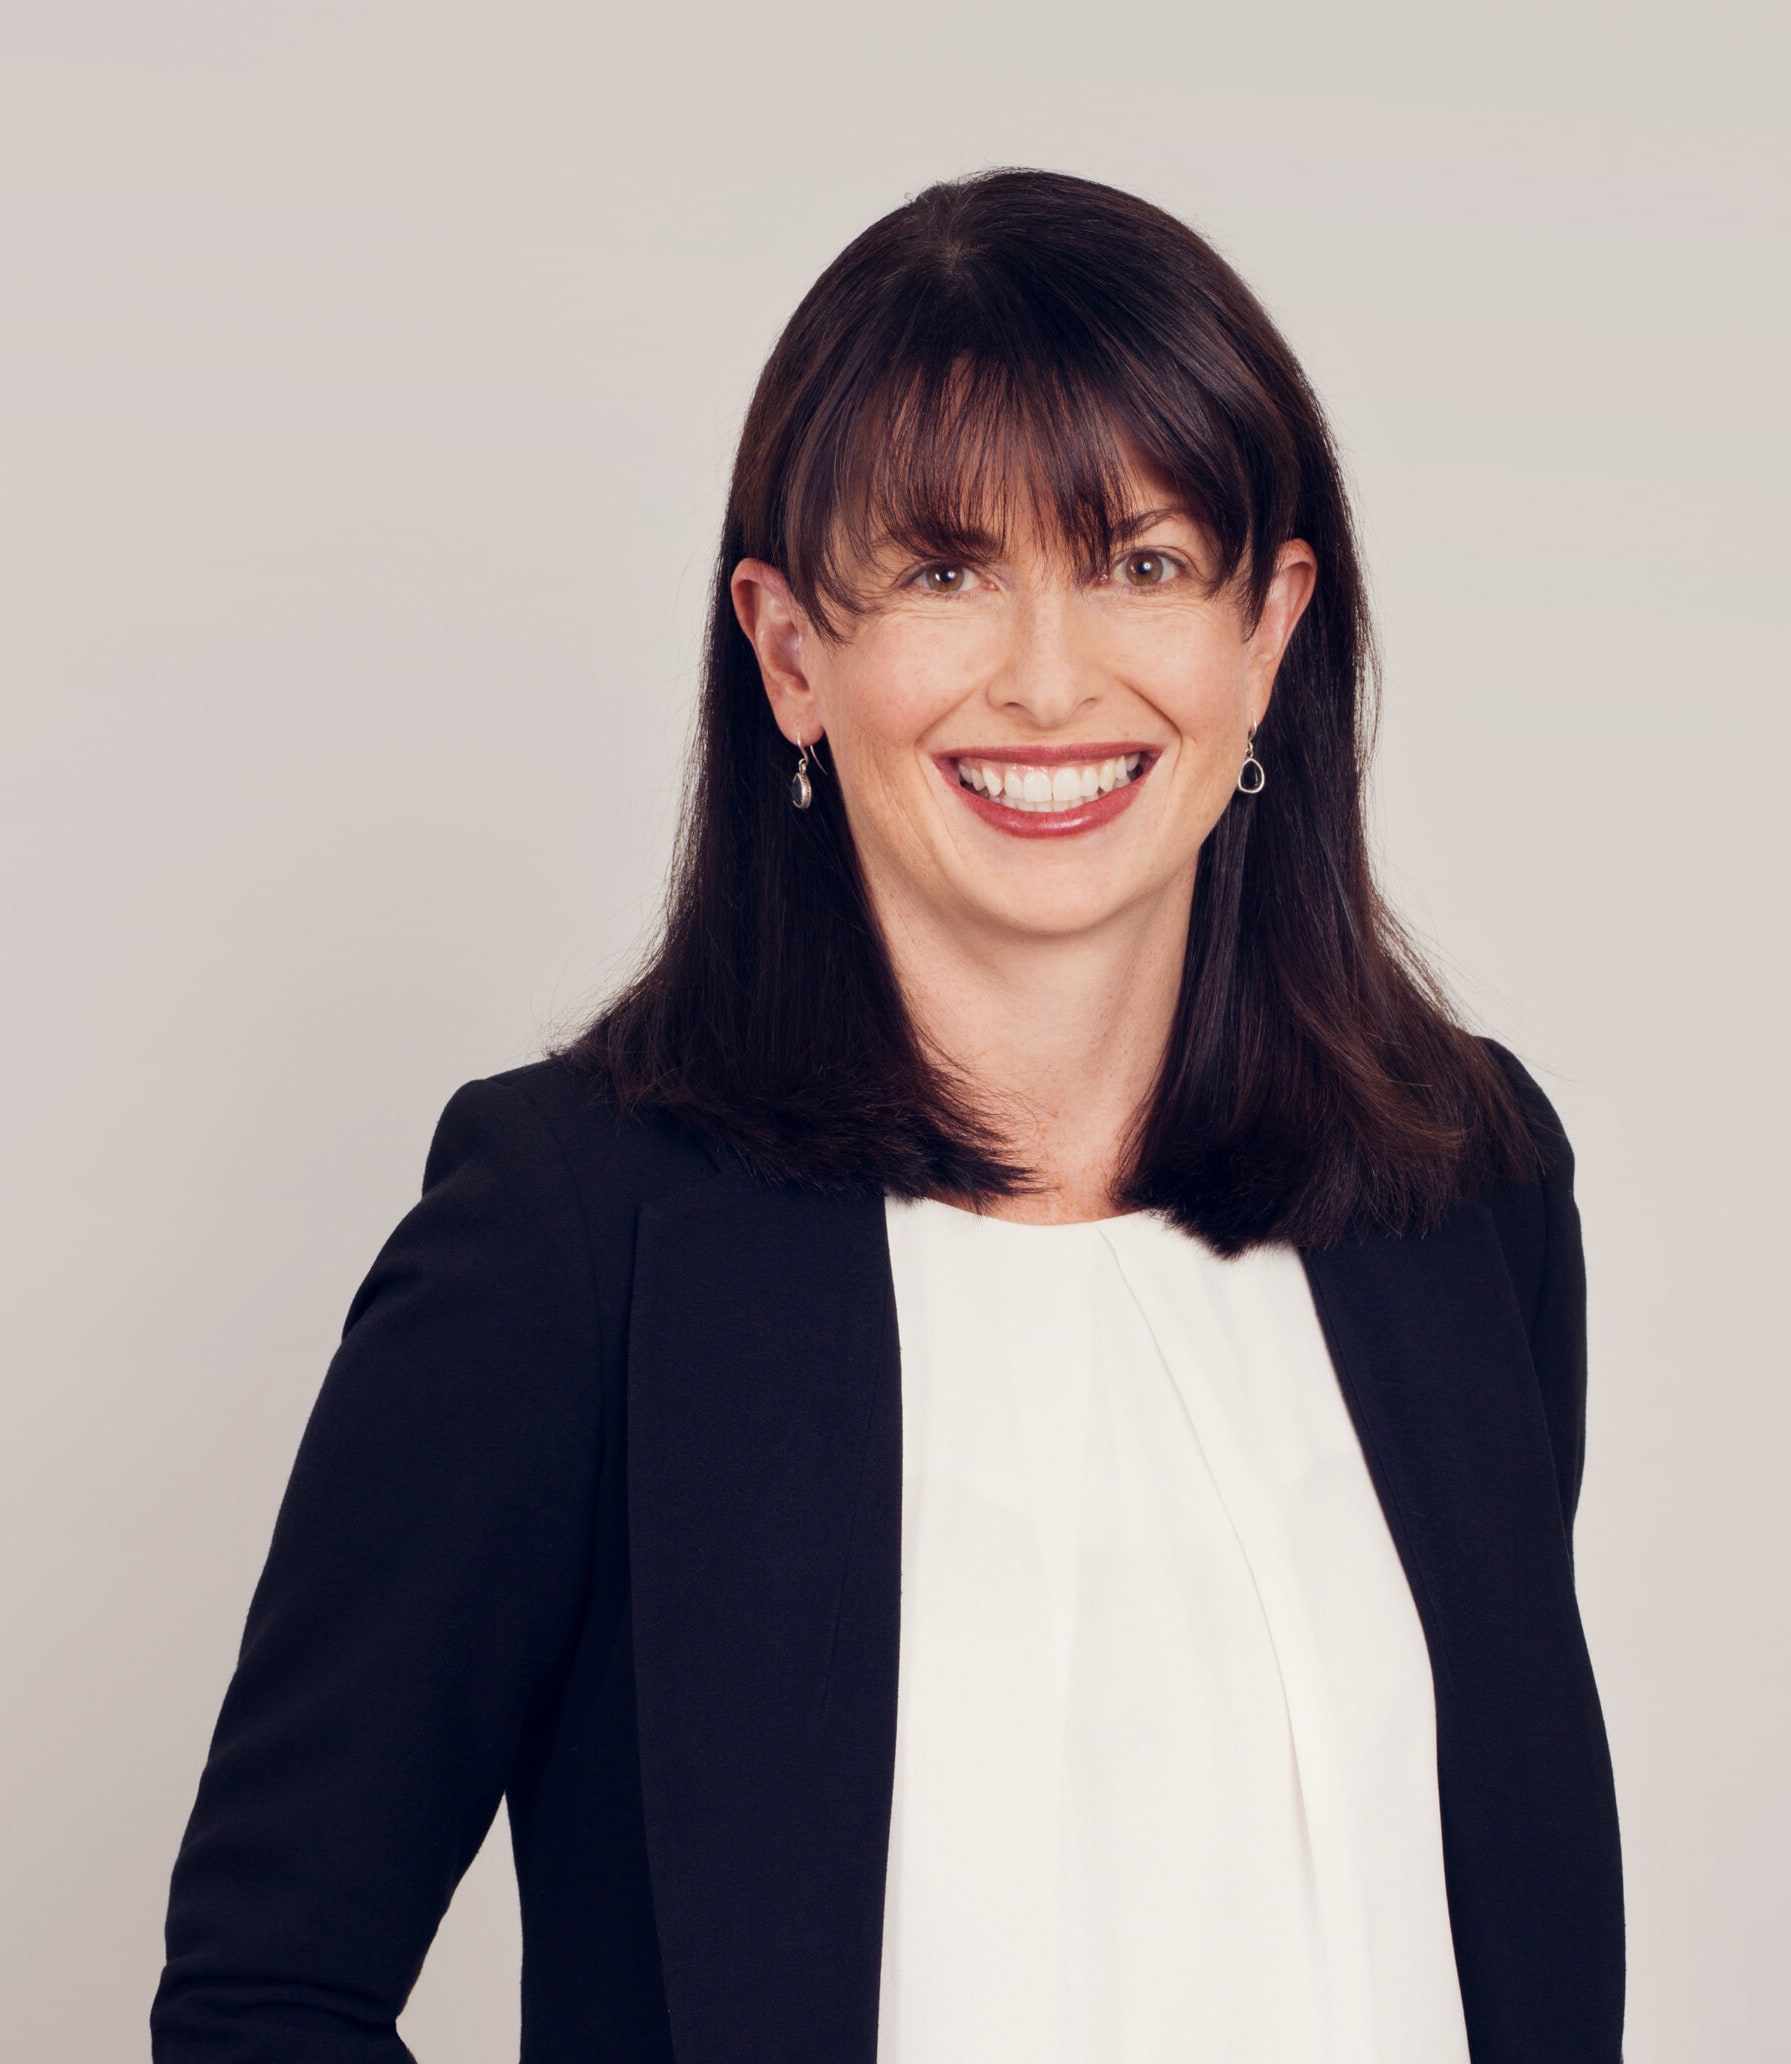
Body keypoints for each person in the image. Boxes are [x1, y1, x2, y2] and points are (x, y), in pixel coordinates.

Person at [152, 168, 1622, 2063]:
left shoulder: (1465, 1193)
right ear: (789, 653)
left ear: (1267, 632)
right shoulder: (570, 1243)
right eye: (945, 570)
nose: (1049, 680)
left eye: (1143, 564)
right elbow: (269, 1993)